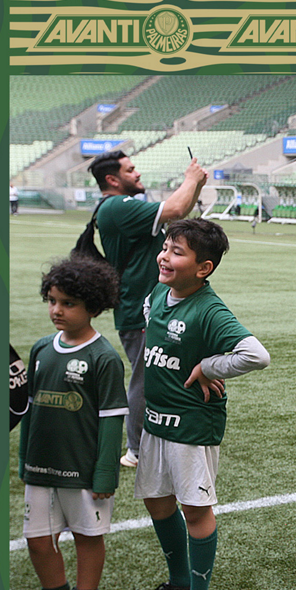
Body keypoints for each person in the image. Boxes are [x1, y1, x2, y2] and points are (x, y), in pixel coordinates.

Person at [132, 218, 270, 590]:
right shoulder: (158, 294)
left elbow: (256, 355)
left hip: (191, 426)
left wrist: (210, 365)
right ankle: (178, 583)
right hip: (155, 420)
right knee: (157, 502)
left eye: (177, 252)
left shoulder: (210, 309)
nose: (164, 256)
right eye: (165, 247)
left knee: (194, 509)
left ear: (203, 267)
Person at [15, 255, 126, 590]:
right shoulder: (41, 348)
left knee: (86, 537)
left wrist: (105, 472)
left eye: (68, 303)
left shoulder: (103, 357)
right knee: (37, 540)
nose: (56, 310)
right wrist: (24, 458)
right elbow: (29, 408)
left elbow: (112, 419)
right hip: (41, 467)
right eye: (52, 301)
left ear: (93, 306)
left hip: (82, 470)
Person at [91, 149, 207, 469]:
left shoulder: (121, 206)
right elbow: (175, 208)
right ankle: (138, 449)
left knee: (159, 374)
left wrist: (196, 184)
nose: (138, 173)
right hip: (139, 310)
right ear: (113, 179)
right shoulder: (117, 205)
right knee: (146, 379)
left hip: (148, 306)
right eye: (130, 170)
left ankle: (158, 438)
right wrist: (191, 179)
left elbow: (177, 216)